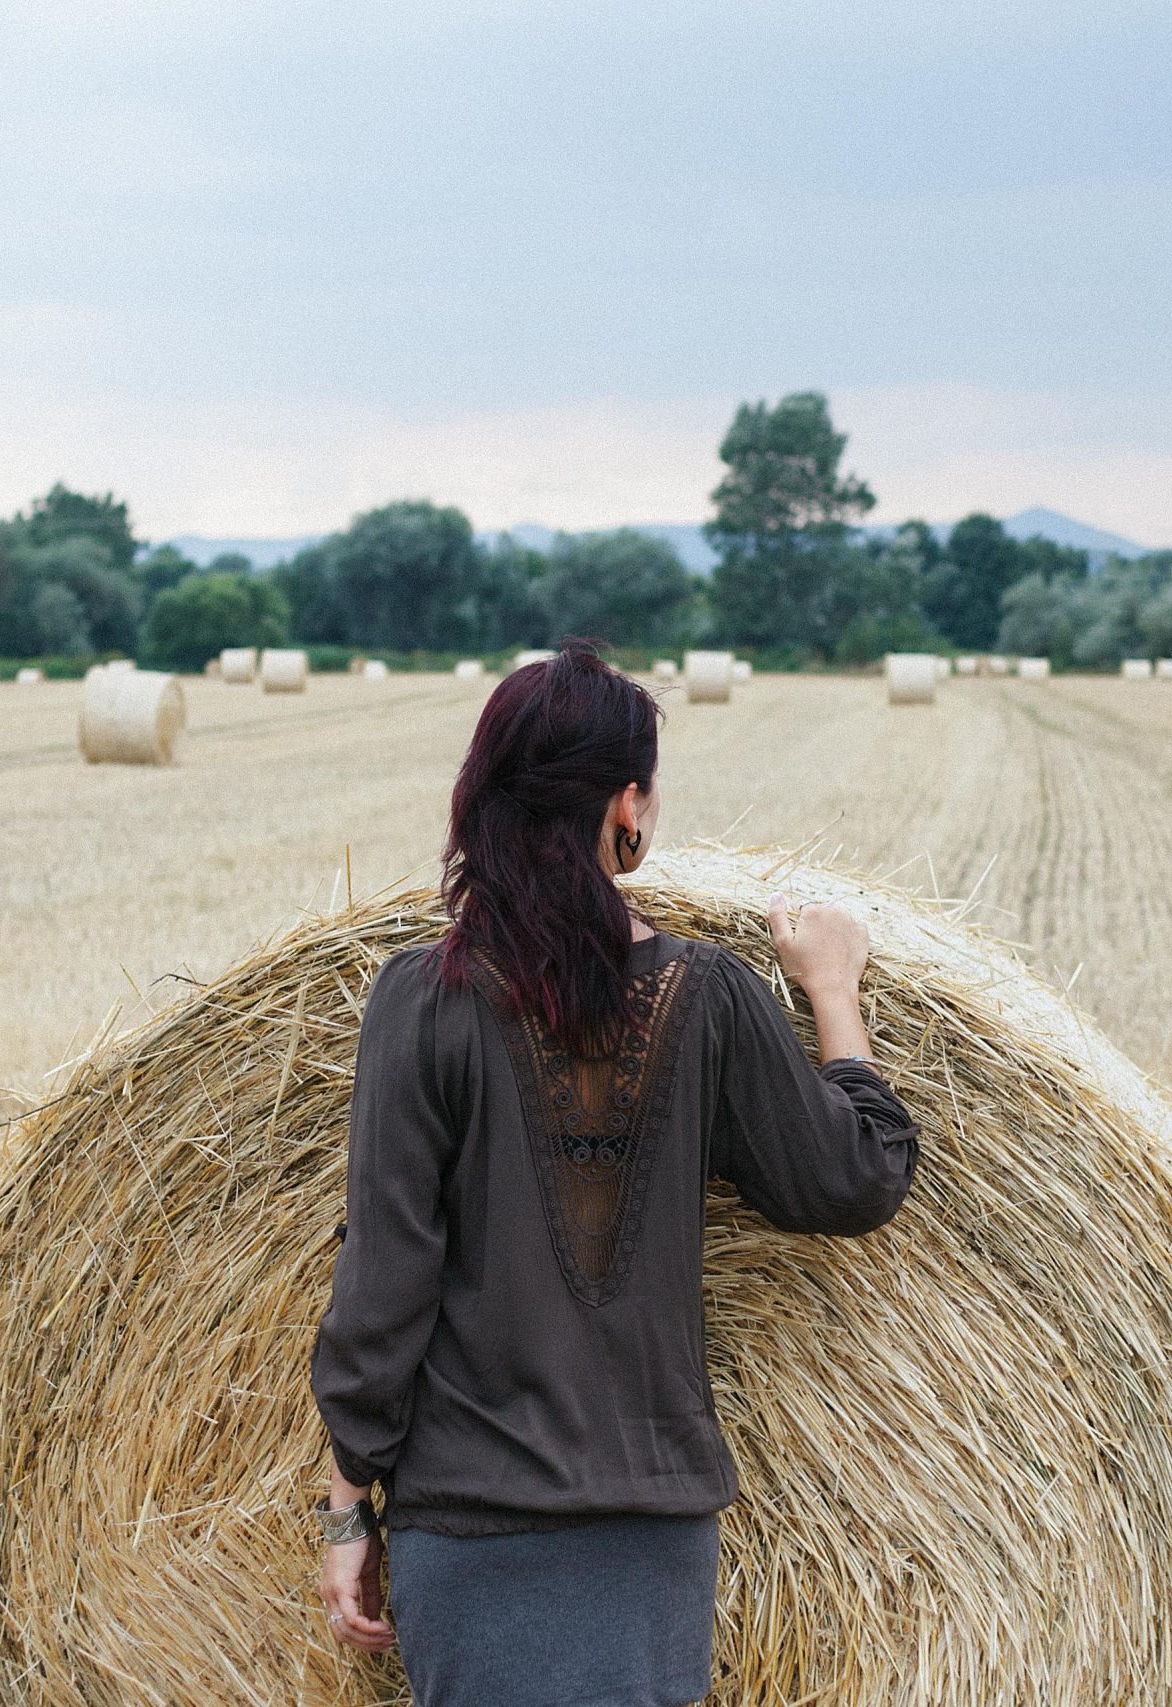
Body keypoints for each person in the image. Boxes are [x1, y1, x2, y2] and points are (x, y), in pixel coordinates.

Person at [309, 640, 922, 1707]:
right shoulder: (710, 995)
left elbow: (383, 1286)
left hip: (468, 1521)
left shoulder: (420, 1001)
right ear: (625, 807)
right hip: (648, 1531)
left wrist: (345, 1504)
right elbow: (850, 1177)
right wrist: (832, 991)